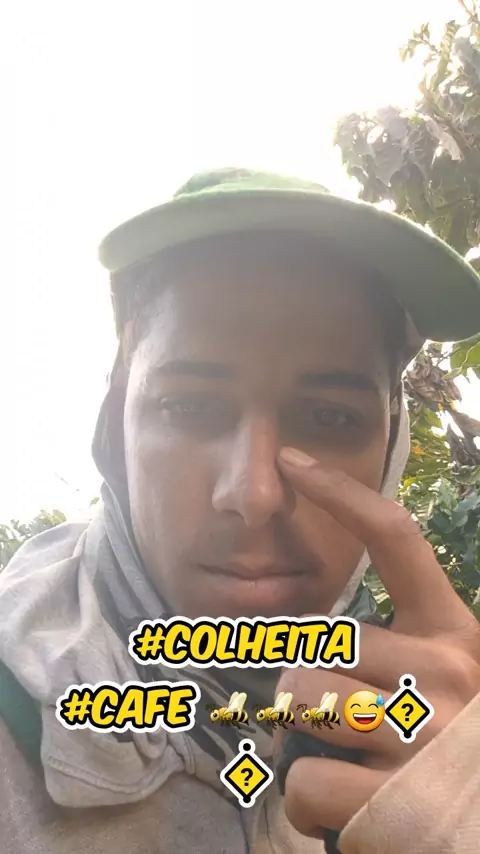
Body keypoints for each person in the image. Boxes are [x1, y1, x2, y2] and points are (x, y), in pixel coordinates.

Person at [0, 167, 479, 854]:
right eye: (189, 406)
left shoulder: (444, 720)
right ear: (117, 419)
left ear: (390, 449)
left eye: (328, 417)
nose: (255, 496)